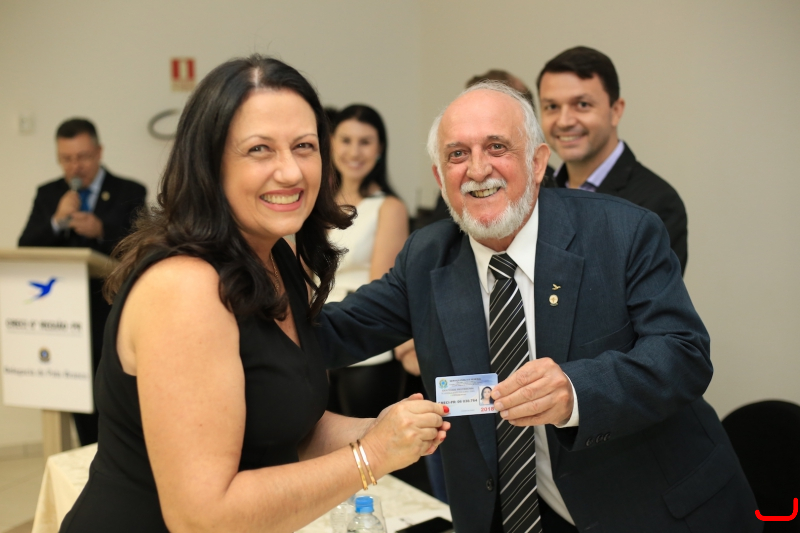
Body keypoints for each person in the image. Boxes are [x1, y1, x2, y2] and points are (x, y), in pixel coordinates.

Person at [318, 81, 759, 532]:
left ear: (537, 161)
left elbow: (683, 353)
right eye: (457, 154)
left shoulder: (623, 232)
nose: (477, 169)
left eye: (497, 147)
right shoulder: (427, 256)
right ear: (439, 177)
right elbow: (331, 333)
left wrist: (576, 389)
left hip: (657, 511)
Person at [59, 55, 448, 533]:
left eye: (304, 146)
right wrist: (372, 454)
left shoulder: (275, 256)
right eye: (260, 149)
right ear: (210, 163)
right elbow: (203, 516)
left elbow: (285, 423)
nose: (290, 172)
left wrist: (391, 430)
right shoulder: (186, 288)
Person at [19, 118, 146, 445]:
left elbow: (141, 247)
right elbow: (26, 246)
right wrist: (56, 221)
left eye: (83, 157)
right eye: (67, 159)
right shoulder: (49, 194)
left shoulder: (130, 191)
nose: (75, 167)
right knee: (80, 401)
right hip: (65, 317)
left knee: (118, 399)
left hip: (112, 313)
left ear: (99, 152)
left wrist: (101, 230)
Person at [537, 46, 689, 274]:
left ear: (616, 110)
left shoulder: (657, 203)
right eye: (552, 107)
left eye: (582, 105)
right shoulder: (537, 190)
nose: (564, 121)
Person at [327, 104, 410, 418]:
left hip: (364, 346)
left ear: (379, 149)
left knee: (367, 443)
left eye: (365, 142)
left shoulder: (388, 207)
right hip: (317, 340)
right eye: (346, 140)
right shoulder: (318, 206)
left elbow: (380, 289)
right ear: (331, 144)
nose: (354, 152)